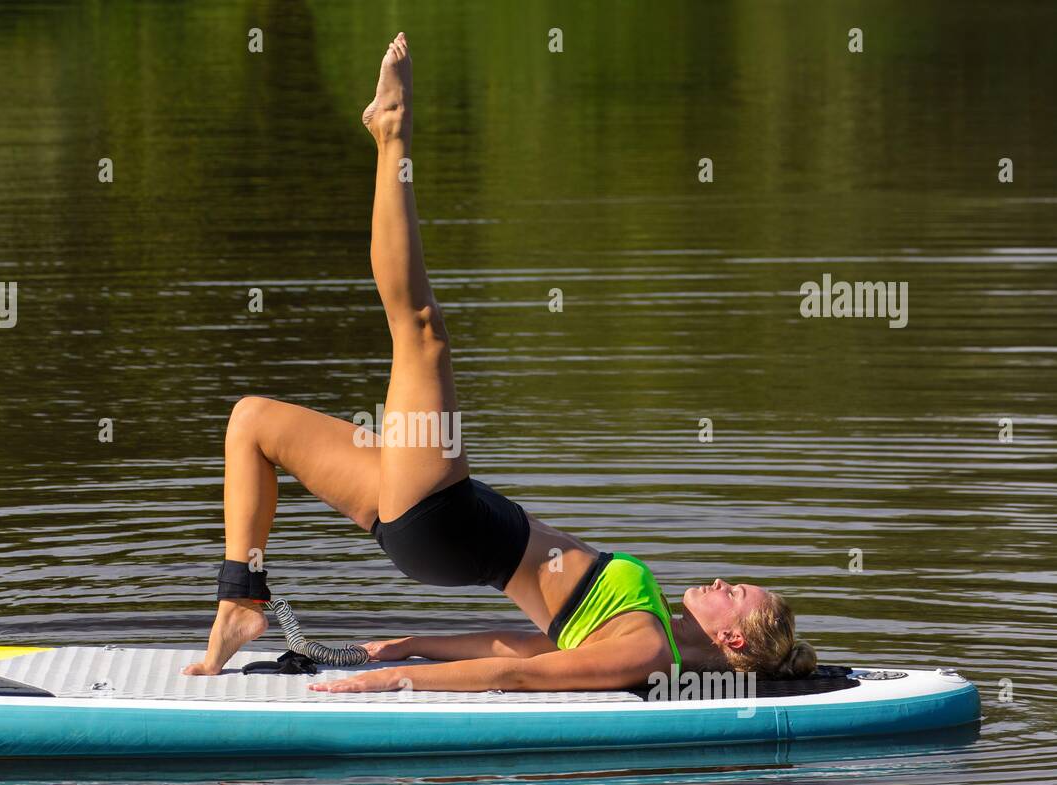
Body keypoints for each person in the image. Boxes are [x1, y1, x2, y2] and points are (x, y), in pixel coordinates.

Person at [184, 33, 815, 693]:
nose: (721, 581)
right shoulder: (650, 621)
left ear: (734, 637)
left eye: (735, 592)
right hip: (443, 523)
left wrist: (390, 680)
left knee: (420, 329)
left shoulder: (649, 652)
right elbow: (528, 644)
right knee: (252, 422)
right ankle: (240, 602)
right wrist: (408, 645)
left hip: (450, 519)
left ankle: (391, 133)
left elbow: (518, 673)